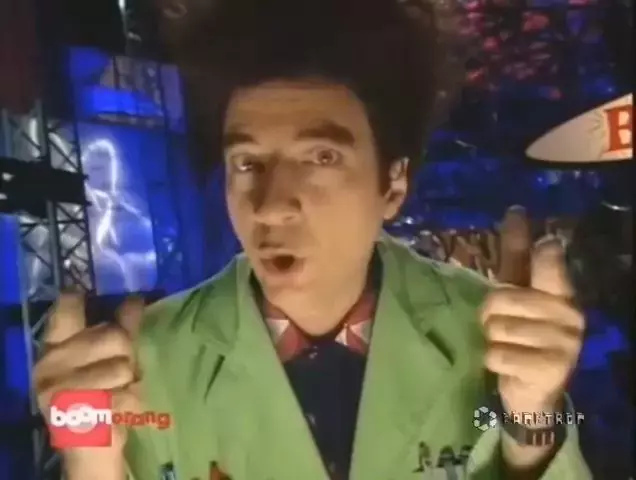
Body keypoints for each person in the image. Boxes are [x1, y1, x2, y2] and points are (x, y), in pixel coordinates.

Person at [33, 0, 591, 478]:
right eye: (247, 162)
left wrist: (533, 414)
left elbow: (519, 437)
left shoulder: (490, 336)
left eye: (321, 157)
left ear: (393, 185)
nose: (271, 205)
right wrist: (89, 459)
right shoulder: (146, 362)